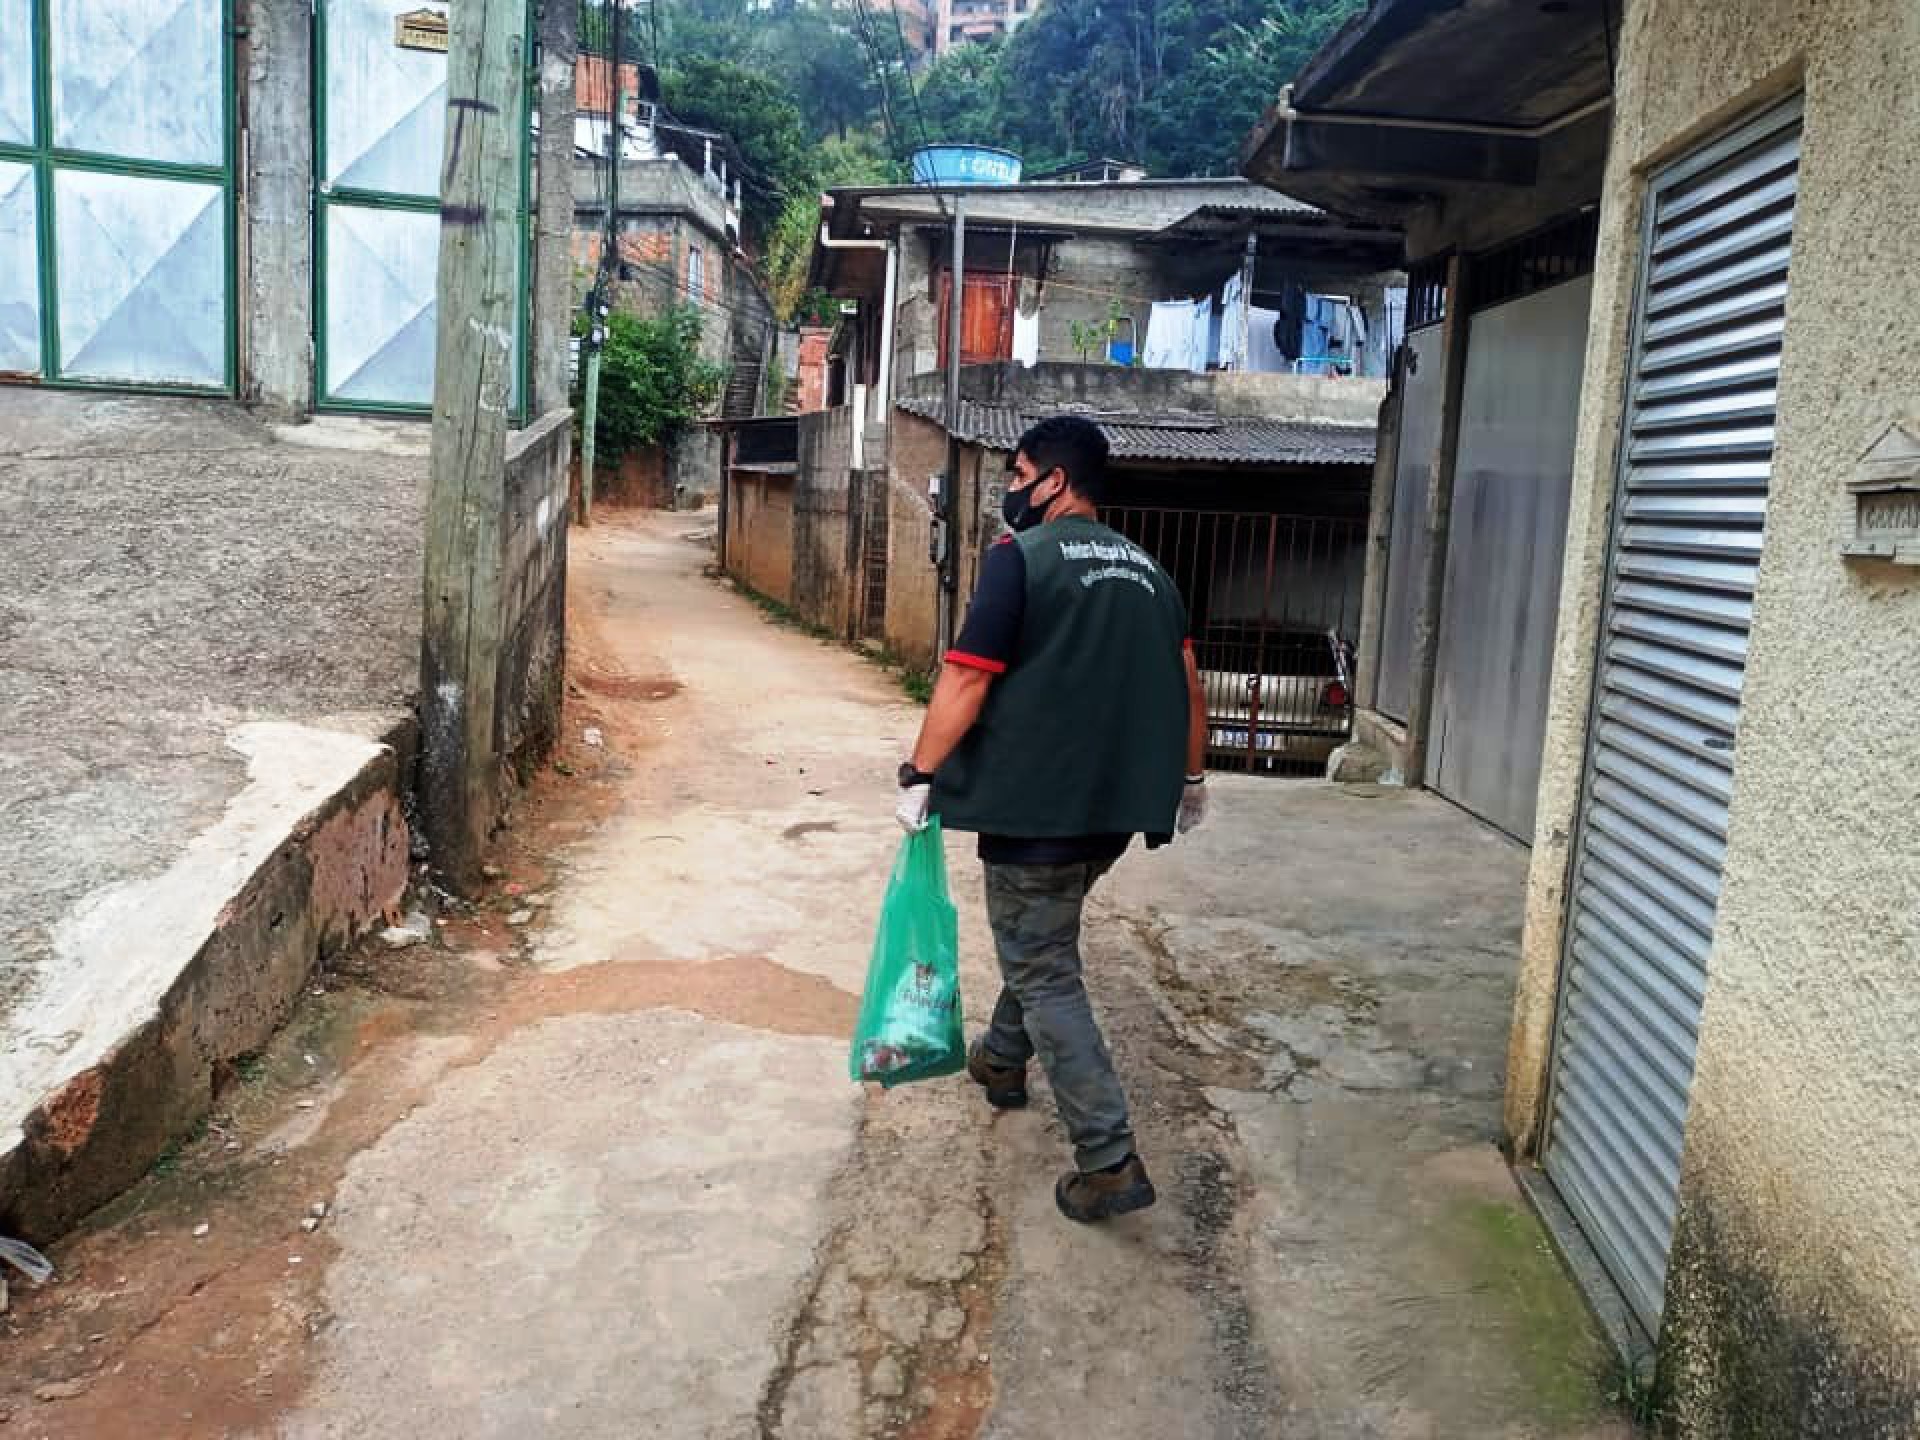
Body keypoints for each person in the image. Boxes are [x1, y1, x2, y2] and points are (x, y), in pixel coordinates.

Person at [895, 415, 1208, 1223]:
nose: (1010, 492)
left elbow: (967, 677)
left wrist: (919, 771)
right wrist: (1193, 777)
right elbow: (1187, 682)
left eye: (1018, 474)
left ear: (1056, 482)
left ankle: (1107, 1158)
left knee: (1043, 966)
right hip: (1112, 815)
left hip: (1035, 811)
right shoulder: (1150, 572)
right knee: (1041, 942)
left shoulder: (1020, 560)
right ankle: (1001, 1060)